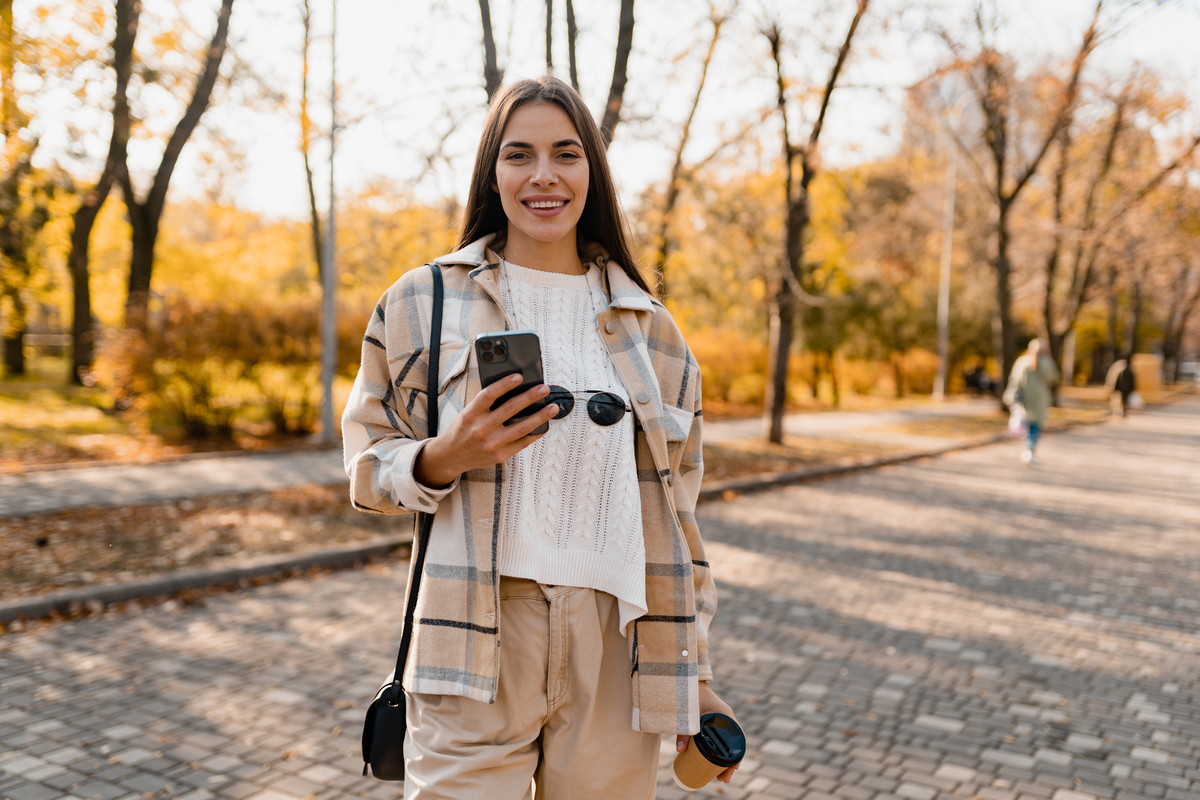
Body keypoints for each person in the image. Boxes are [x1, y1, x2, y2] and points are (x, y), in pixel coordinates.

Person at [341, 75, 737, 799]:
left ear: (593, 170)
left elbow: (681, 523)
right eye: (519, 155)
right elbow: (367, 465)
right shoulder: (422, 301)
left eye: (566, 153)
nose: (544, 175)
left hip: (617, 645)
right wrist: (444, 456)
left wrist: (696, 675)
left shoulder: (657, 333)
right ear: (493, 172)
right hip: (472, 631)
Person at [1003, 339, 1060, 465]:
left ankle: (1027, 447)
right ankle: (1030, 449)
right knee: (1035, 426)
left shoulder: (1022, 362)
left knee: (1026, 423)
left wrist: (1009, 396)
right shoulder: (1048, 363)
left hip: (1026, 398)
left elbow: (1015, 380)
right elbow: (1055, 378)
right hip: (1040, 398)